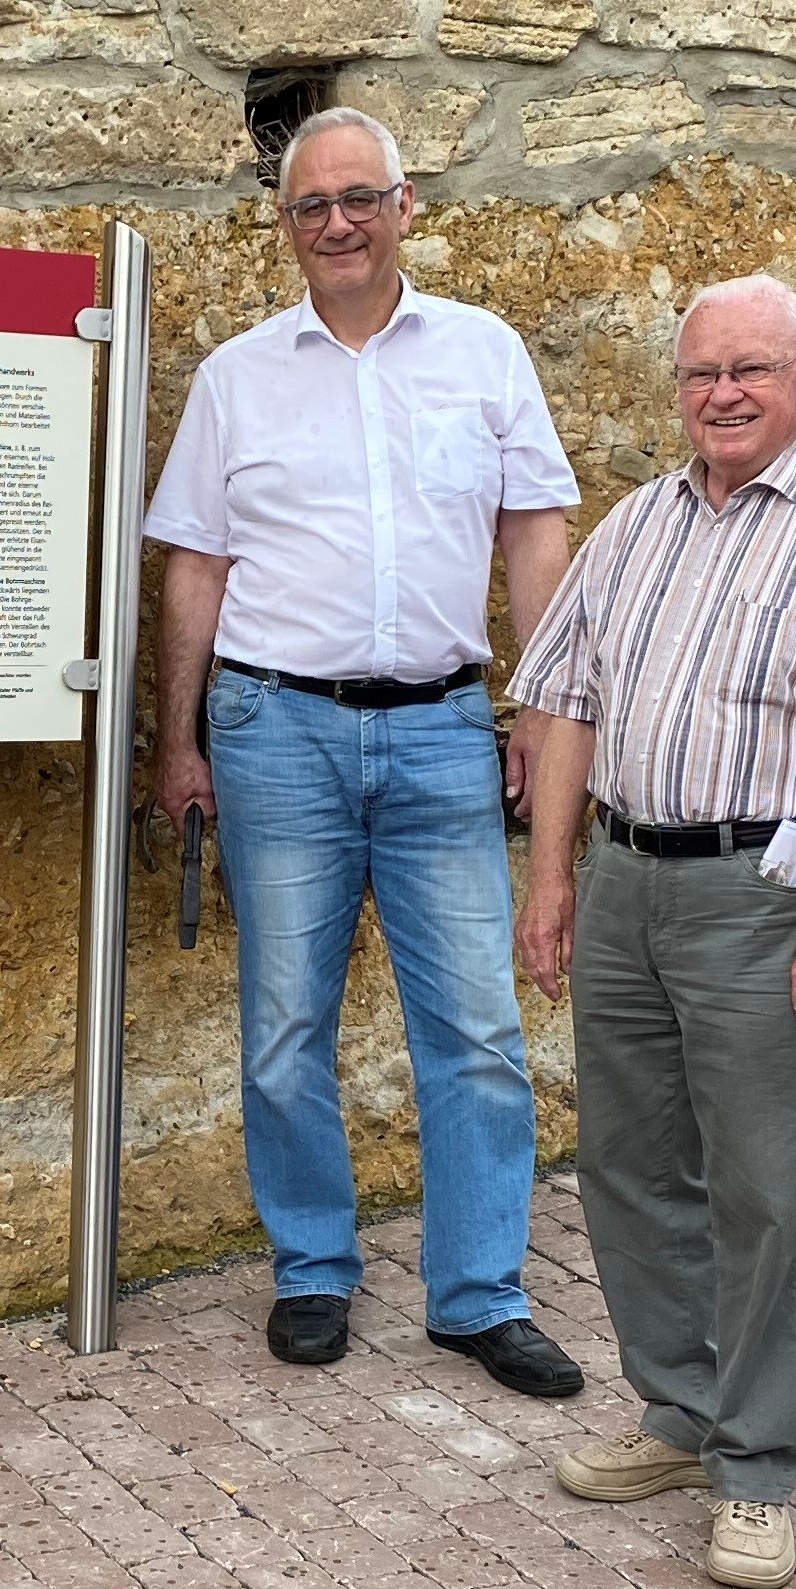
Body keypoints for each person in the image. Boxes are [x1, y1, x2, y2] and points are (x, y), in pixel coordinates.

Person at [141, 107, 583, 1390]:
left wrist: (543, 711)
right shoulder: (237, 377)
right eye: (308, 206)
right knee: (285, 1025)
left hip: (447, 728)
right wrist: (181, 745)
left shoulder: (486, 355)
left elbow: (535, 544)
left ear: (405, 205)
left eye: (358, 198)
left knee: (481, 1032)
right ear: (284, 227)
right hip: (275, 729)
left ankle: (480, 1291)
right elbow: (194, 571)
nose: (335, 222)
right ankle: (314, 1268)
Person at [507, 274, 796, 1589]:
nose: (725, 396)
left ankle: (754, 1464)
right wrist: (555, 877)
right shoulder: (635, 525)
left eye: (751, 369)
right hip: (632, 883)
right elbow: (564, 703)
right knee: (632, 1170)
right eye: (702, 375)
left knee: (765, 1188)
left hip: (773, 896)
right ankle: (679, 1413)